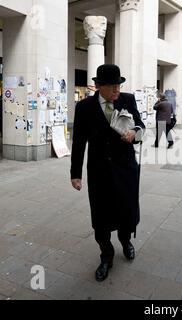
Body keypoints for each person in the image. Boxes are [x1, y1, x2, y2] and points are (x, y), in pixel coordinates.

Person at [70, 64, 145, 282]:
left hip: (125, 169)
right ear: (98, 86)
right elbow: (78, 142)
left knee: (126, 211)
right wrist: (76, 173)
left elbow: (140, 125)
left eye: (119, 85)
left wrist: (134, 132)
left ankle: (126, 241)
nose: (117, 90)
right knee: (101, 217)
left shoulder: (127, 100)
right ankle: (106, 256)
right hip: (99, 171)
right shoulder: (84, 107)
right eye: (112, 86)